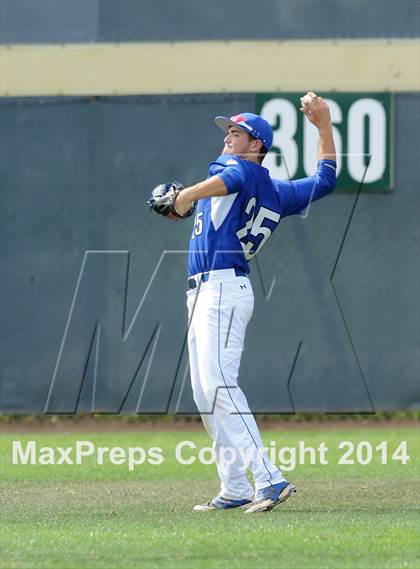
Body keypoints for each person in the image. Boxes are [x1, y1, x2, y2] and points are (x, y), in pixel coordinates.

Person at [155, 92, 336, 513]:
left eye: (237, 132)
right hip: (209, 292)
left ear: (257, 145)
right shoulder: (275, 191)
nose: (228, 137)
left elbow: (233, 178)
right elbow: (325, 180)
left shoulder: (240, 169)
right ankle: (234, 485)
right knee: (205, 392)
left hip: (221, 289)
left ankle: (269, 478)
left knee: (219, 384)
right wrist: (323, 126)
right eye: (228, 132)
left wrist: (184, 197)